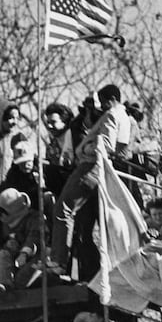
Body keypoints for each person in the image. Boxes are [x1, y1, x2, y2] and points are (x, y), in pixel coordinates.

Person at [49, 84, 127, 275]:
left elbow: (106, 146)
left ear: (110, 100)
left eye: (102, 102)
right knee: (93, 223)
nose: (101, 107)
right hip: (102, 171)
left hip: (89, 167)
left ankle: (58, 260)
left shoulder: (111, 116)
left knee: (62, 209)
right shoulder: (124, 117)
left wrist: (82, 149)